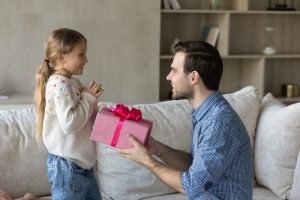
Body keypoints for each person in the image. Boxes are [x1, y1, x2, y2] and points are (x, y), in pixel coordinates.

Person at [118, 41, 253, 199]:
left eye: (174, 71)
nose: (168, 77)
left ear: (194, 77)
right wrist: (156, 148)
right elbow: (193, 165)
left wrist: (147, 161)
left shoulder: (219, 122)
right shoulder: (205, 114)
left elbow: (191, 185)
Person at [34, 28, 103, 200]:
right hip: (68, 167)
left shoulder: (72, 83)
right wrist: (88, 98)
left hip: (83, 166)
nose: (86, 60)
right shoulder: (59, 84)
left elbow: (83, 119)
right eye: (81, 54)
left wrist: (91, 102)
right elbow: (70, 123)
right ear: (60, 57)